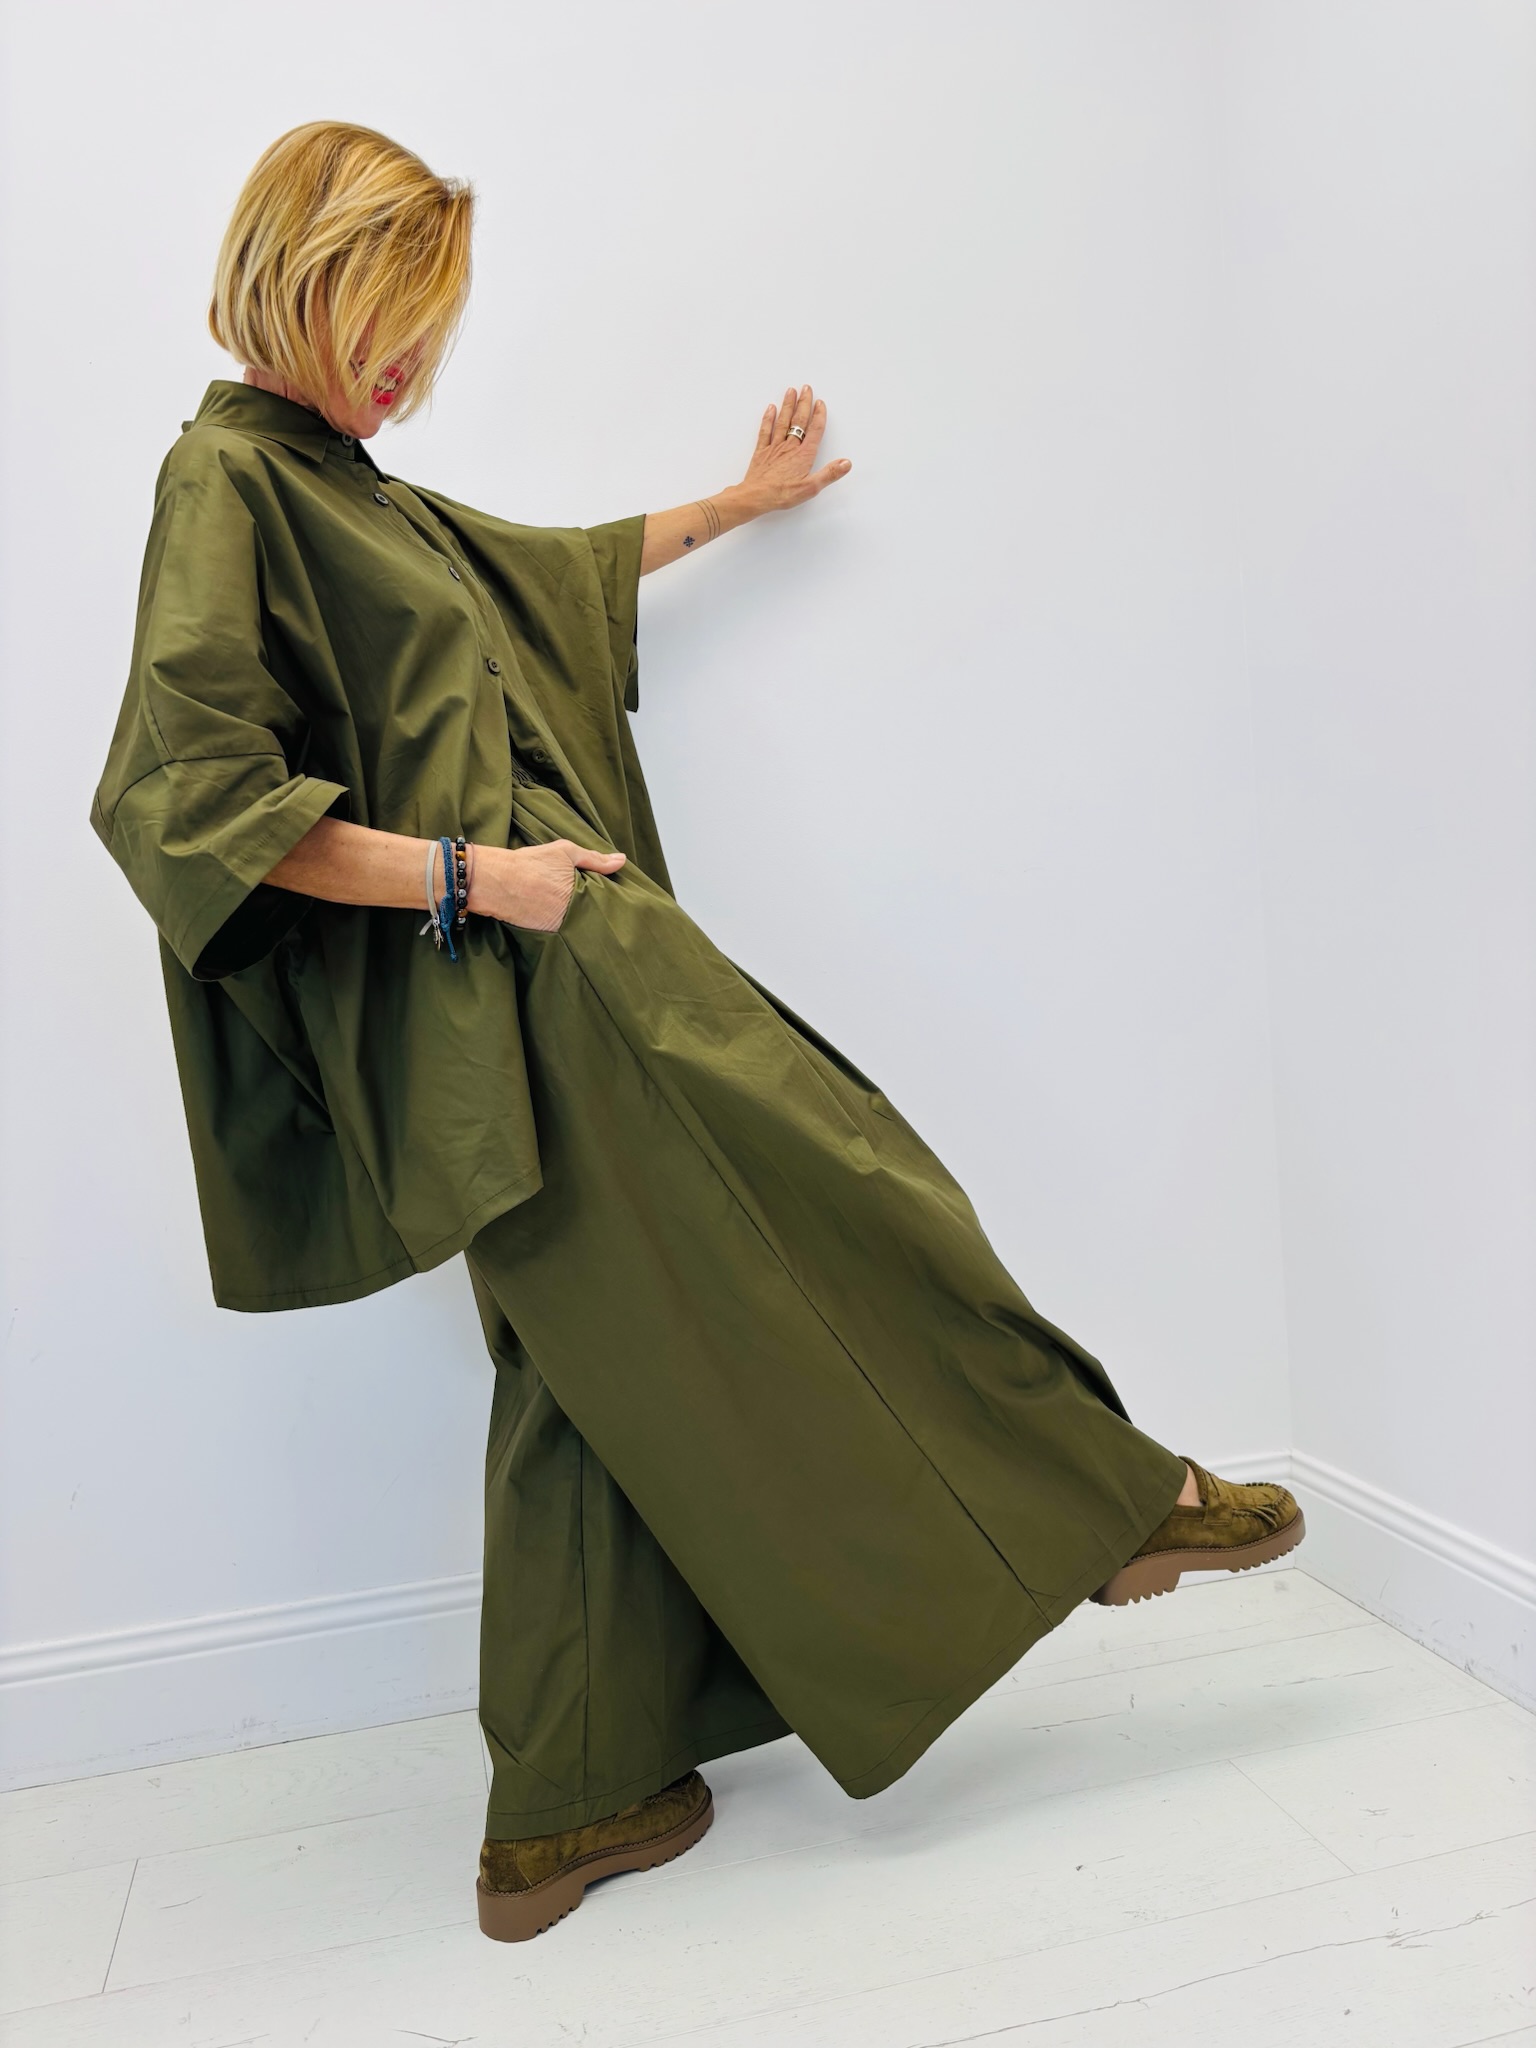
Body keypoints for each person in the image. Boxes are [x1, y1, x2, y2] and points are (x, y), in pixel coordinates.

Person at [91, 120, 1305, 1944]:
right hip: (543, 967)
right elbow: (186, 804)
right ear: (301, 282)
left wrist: (740, 505)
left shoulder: (347, 485)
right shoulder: (228, 482)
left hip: (510, 999)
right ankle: (1110, 1502)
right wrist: (478, 883)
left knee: (581, 1375)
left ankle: (564, 1814)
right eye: (388, 320)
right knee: (847, 1177)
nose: (412, 365)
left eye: (431, 328)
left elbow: (552, 575)